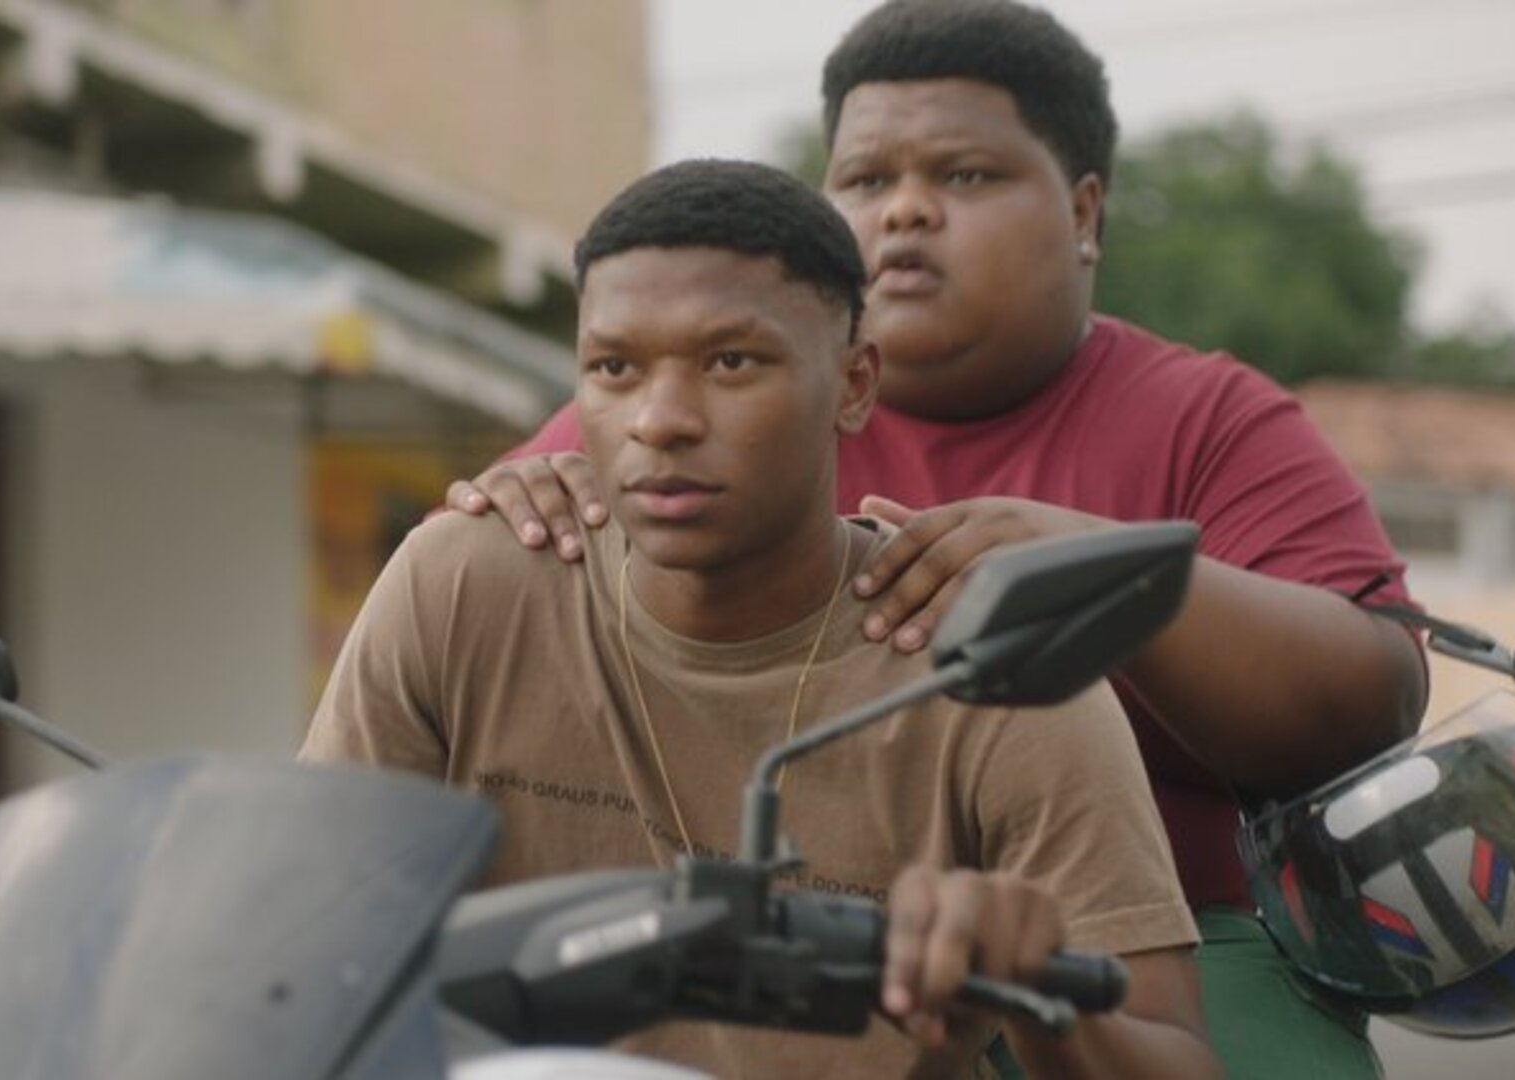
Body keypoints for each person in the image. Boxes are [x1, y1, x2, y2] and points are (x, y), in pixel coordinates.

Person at [445, 2, 1427, 1076]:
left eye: (963, 175)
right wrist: (517, 501)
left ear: (1083, 212)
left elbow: (1366, 703)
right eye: (866, 179)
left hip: (1156, 955)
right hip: (771, 937)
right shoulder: (683, 413)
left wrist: (1102, 577)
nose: (906, 211)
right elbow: (493, 577)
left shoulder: (1207, 418)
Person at [301, 159, 1219, 1079]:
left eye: (730, 362)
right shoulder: (465, 583)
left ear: (854, 385)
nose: (659, 420)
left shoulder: (988, 665)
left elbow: (1173, 1054)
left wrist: (1035, 999)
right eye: (614, 367)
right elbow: (300, 945)